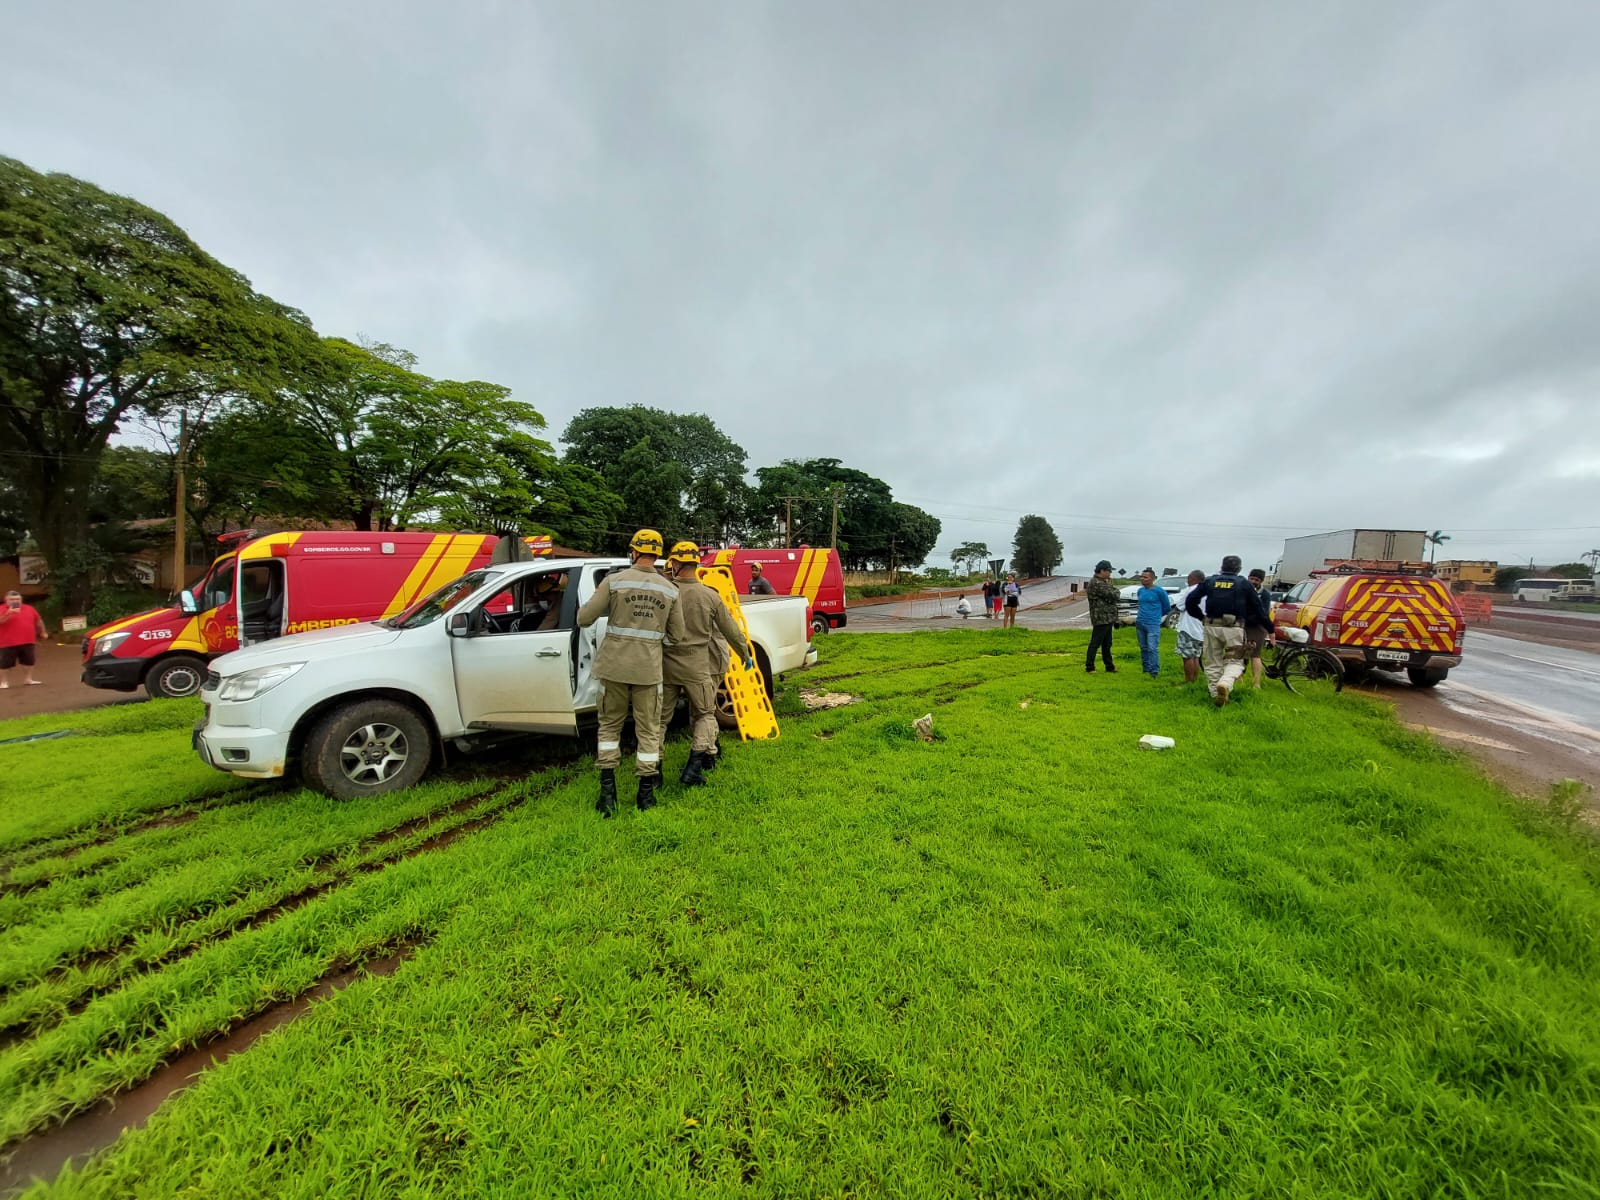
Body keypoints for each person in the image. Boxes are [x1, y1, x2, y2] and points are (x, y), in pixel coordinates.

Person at [577, 529, 687, 816]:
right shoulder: (670, 590)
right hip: (648, 671)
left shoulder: (613, 582)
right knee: (649, 730)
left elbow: (584, 618)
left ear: (634, 552)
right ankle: (646, 796)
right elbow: (678, 636)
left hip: (613, 668)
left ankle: (607, 795)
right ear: (658, 554)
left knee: (609, 727)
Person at [659, 542, 753, 787]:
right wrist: (745, 654)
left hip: (667, 666)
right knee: (704, 714)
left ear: (676, 564)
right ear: (697, 564)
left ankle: (652, 772)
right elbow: (731, 630)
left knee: (659, 720)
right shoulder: (709, 596)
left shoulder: (665, 593)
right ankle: (694, 766)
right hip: (697, 666)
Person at [1184, 555, 1270, 707]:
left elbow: (1190, 601)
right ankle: (1225, 683)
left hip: (1211, 625)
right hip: (1234, 627)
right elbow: (1258, 608)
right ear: (1239, 569)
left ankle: (1215, 695)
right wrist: (1270, 628)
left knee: (1212, 661)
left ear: (1222, 567)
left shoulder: (1210, 581)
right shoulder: (1243, 583)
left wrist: (1201, 617)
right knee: (1235, 660)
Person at [0, 590, 47, 688]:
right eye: (12, 599)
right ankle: (3, 682)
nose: (15, 601)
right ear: (6, 600)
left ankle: (28, 679)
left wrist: (42, 631)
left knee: (29, 661)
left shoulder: (29, 608)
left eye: (17, 599)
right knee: (5, 663)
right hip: (8, 642)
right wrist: (8, 613)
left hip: (28, 640)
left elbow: (38, 620)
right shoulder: (2, 608)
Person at [1134, 568, 1172, 677]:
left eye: (1145, 577)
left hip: (1153, 624)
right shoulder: (1140, 590)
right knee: (1143, 647)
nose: (1142, 579)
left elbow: (1166, 607)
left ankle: (1154, 671)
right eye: (1141, 577)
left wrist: (1156, 616)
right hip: (1140, 622)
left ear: (1153, 579)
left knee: (1152, 648)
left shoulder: (1159, 591)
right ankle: (1145, 668)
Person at [1085, 561, 1119, 672]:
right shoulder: (1097, 583)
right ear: (1102, 570)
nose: (1110, 573)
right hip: (1101, 617)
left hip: (1107, 617)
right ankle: (1090, 667)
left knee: (1107, 644)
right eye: (1109, 571)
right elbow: (1114, 595)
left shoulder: (1101, 582)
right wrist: (1111, 586)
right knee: (1095, 643)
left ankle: (1109, 666)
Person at [1173, 570, 1206, 684]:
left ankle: (1188, 681)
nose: (1188, 581)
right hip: (1201, 628)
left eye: (1189, 578)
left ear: (1194, 578)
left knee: (1187, 656)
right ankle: (1194, 681)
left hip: (1188, 627)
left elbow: (1180, 606)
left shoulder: (1190, 590)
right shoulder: (1208, 591)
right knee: (1196, 656)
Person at [1244, 568, 1273, 688]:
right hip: (1243, 626)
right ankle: (1238, 679)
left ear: (1261, 581)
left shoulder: (1264, 594)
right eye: (1252, 578)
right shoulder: (1243, 590)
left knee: (1255, 655)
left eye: (1257, 580)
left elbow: (1264, 613)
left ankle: (1256, 683)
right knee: (1241, 654)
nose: (1253, 581)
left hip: (1257, 627)